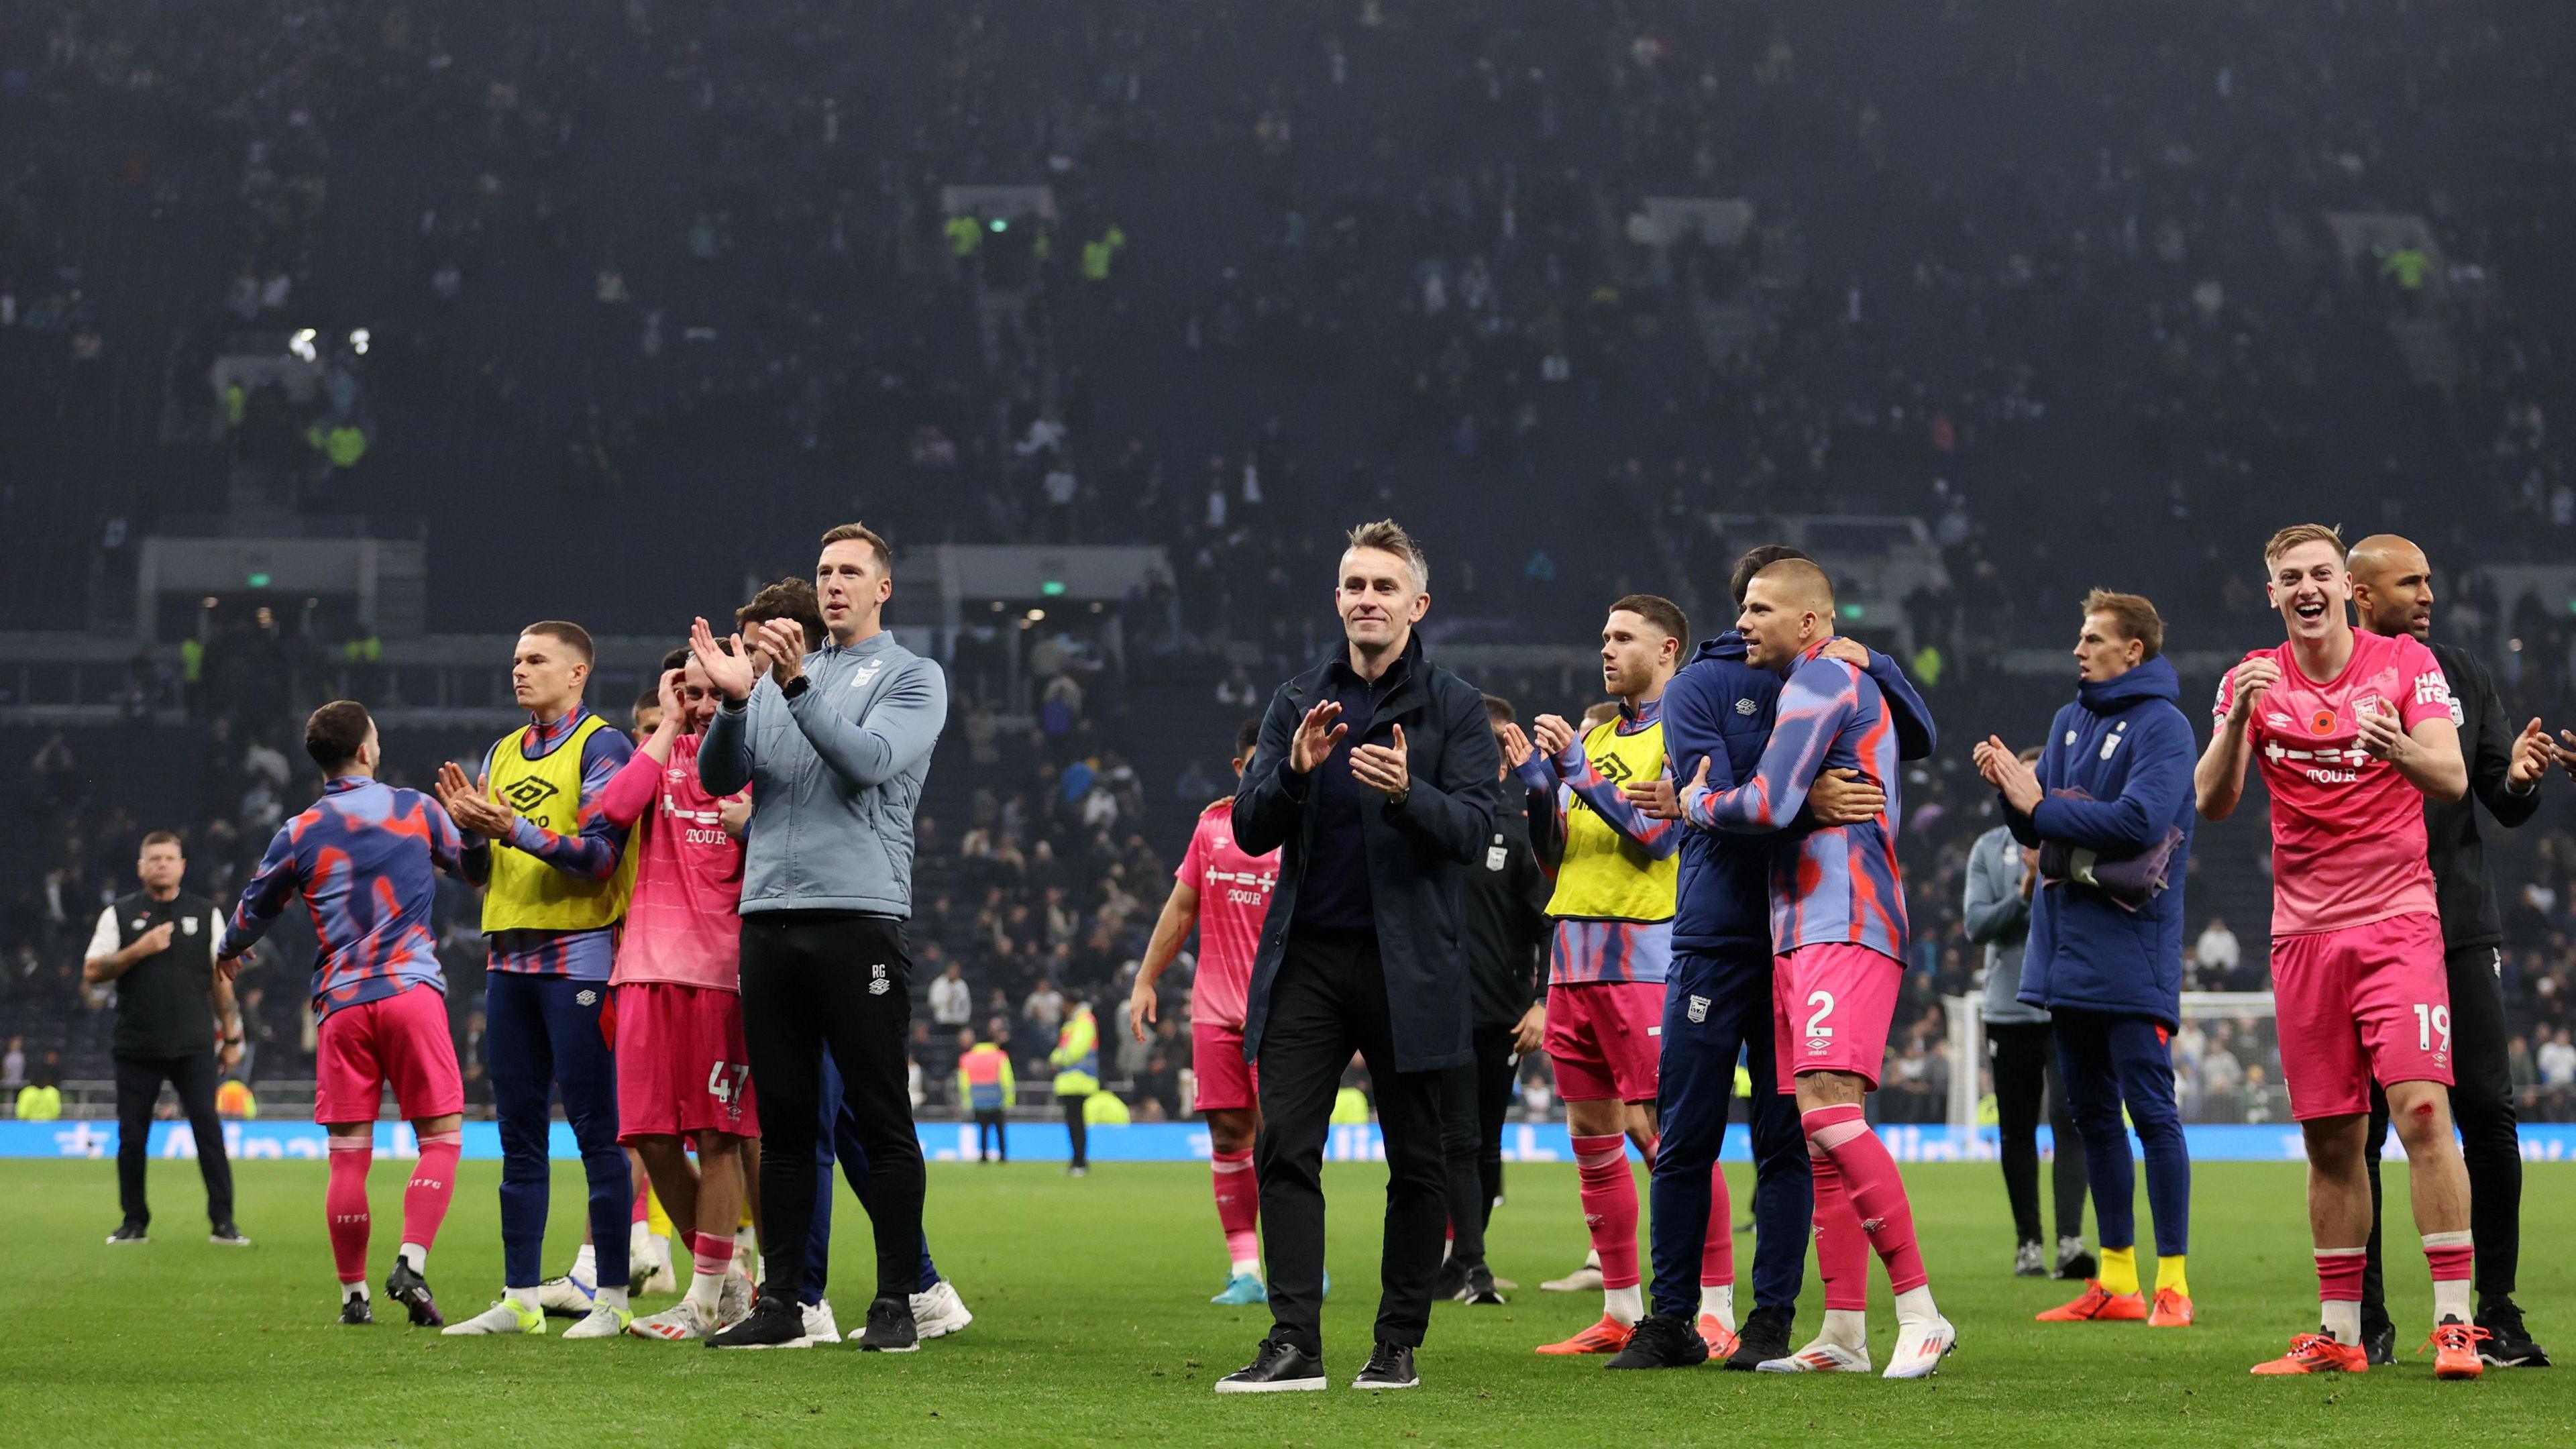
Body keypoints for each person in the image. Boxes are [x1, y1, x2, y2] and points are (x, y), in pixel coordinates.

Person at [1617, 545, 1934, 1373]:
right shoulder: (1705, 689)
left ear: (1806, 616)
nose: (1743, 621)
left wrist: (1701, 801)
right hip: (1737, 933)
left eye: (1760, 608)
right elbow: (1765, 796)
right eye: (1743, 607)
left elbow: (1757, 799)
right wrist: (1805, 794)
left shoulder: (1825, 678)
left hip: (1825, 920)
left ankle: (1857, 1315)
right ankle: (1717, 1322)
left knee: (1809, 1129)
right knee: (1708, 1134)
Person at [1215, 519, 1500, 1393]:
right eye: (1353, 585)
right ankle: (1294, 1342)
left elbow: (1479, 833)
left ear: (1418, 604)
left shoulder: (1453, 708)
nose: (1366, 600)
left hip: (1409, 964)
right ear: (1336, 598)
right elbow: (1250, 828)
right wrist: (1295, 772)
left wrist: (1411, 794)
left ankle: (1397, 1344)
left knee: (1416, 1162)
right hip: (1308, 958)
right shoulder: (1299, 698)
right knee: (1285, 1149)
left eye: (1383, 587)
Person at [2194, 523, 2481, 1379]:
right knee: (2331, 1141)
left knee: (2424, 1113)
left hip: (2397, 923)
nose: (2308, 587)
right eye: (2292, 577)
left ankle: (2457, 1324)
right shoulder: (2250, 679)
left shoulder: (2403, 667)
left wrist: (2399, 749)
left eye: (2322, 572)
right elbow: (2213, 803)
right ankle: (2340, 1335)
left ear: (2347, 588)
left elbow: (2455, 777)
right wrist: (2238, 716)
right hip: (2304, 937)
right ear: (2274, 593)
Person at [694, 522, 947, 1352]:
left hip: (859, 915)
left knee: (880, 1116)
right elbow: (719, 778)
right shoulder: (771, 681)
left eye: (850, 572)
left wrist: (795, 686)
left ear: (883, 589)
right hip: (769, 917)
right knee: (788, 1125)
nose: (833, 584)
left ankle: (897, 1303)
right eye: (823, 571)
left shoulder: (913, 678)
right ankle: (785, 1305)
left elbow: (869, 761)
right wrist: (737, 701)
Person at [1512, 595, 1746, 1358]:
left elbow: (1654, 836)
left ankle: (1714, 1307)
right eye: (1602, 636)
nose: (1606, 649)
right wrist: (1544, 786)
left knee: (1664, 1136)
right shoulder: (1600, 733)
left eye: (1623, 637)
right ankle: (1619, 1308)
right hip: (1573, 960)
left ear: (1669, 648)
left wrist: (1578, 770)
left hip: (1644, 960)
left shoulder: (1688, 732)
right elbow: (1557, 855)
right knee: (1591, 1135)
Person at [2347, 535, 2555, 1368]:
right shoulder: (2340, 678)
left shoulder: (2463, 673)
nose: (2428, 593)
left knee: (2488, 1115)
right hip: (2363, 927)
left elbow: (2502, 799)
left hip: (2458, 924)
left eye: (2430, 579)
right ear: (2363, 593)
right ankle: (2363, 1319)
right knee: (2357, 1132)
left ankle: (2496, 1313)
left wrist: (2525, 777)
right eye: (2410, 582)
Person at [1976, 591, 2195, 1328]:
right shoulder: (2069, 720)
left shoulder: (2165, 726)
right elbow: (2040, 830)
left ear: (2133, 650)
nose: (2078, 649)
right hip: (2066, 948)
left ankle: (2172, 1283)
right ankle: (2117, 1280)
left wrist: (2042, 807)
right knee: (2093, 1119)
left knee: (2151, 1115)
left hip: (2134, 950)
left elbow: (2141, 822)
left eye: (2093, 638)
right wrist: (2015, 794)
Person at [219, 701, 469, 1326]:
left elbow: (253, 912)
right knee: (439, 1139)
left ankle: (353, 1297)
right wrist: (480, 826)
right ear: (365, 750)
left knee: (348, 1154)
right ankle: (411, 1260)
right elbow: (478, 869)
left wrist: (227, 952)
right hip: (411, 991)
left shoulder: (298, 831)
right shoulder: (415, 809)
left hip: (342, 1004)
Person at [435, 621, 637, 1340]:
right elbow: (478, 871)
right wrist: (466, 831)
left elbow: (601, 857)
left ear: (577, 671)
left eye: (536, 660)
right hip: (507, 961)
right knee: (516, 1134)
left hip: (578, 958)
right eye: (516, 659)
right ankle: (520, 1295)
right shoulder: (500, 751)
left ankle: (611, 1297)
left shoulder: (604, 746)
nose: (520, 671)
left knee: (597, 1132)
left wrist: (512, 826)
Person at [592, 647, 760, 1342]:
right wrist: (665, 725)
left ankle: (703, 1298)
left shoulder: (756, 761)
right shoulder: (656, 758)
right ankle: (727, 1289)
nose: (698, 705)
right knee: (651, 1139)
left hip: (722, 973)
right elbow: (614, 809)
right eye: (687, 693)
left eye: (709, 693)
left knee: (720, 1136)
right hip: (644, 973)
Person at [1127, 717, 1281, 1304]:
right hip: (1215, 1010)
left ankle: (1298, 1258)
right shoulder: (1212, 827)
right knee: (1228, 1133)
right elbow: (1180, 908)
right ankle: (1246, 1270)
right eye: (1258, 760)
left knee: (1282, 1138)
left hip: (1281, 1010)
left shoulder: (1306, 828)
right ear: (1241, 768)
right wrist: (1146, 979)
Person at [1436, 695, 1552, 1309]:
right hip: (1433, 1007)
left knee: (1481, 1138)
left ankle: (1461, 1263)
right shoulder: (1427, 824)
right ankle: (1469, 1264)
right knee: (1450, 1136)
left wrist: (1541, 1001)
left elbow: (1545, 922)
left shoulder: (1519, 835)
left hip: (1500, 1013)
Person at [1959, 776, 2092, 1282]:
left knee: (2069, 1120)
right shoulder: (1990, 849)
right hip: (2009, 1008)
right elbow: (1975, 926)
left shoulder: (2075, 842)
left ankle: (2070, 1243)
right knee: (2016, 1129)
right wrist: (2024, 890)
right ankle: (2028, 1246)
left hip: (2067, 1005)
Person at [86, 831, 246, 1246]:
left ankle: (224, 1223)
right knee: (132, 1137)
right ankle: (133, 1222)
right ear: (141, 867)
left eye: (169, 857)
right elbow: (92, 970)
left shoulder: (206, 912)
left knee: (208, 1132)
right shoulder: (118, 915)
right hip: (136, 1046)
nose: (162, 864)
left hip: (193, 1045)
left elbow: (220, 980)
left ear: (182, 865)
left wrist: (231, 1036)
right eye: (153, 858)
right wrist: (139, 949)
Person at [1052, 998, 1100, 1175]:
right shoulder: (1077, 1022)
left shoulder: (1083, 1021)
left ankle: (1080, 1163)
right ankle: (1076, 1162)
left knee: (1076, 1124)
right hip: (1073, 1082)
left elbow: (1077, 1048)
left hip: (1078, 1081)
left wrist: (1058, 1059)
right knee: (1075, 1124)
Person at [957, 1030, 1013, 1161]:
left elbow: (964, 1082)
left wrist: (967, 1100)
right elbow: (1007, 1080)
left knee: (983, 1129)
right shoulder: (1000, 1056)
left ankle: (983, 1155)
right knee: (1000, 1129)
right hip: (997, 1098)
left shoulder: (967, 1058)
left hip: (978, 1099)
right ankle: (1003, 1155)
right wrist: (1009, 1099)